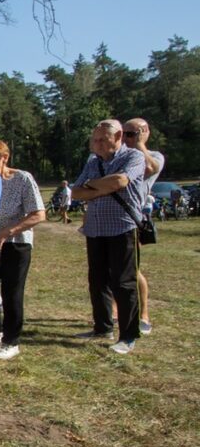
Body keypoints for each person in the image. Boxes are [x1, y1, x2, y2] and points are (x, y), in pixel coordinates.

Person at [71, 119, 146, 354]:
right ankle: (102, 327)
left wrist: (92, 187)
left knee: (124, 283)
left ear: (118, 137)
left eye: (103, 139)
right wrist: (102, 186)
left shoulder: (133, 157)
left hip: (122, 228)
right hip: (95, 229)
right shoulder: (93, 162)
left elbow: (121, 181)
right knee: (98, 280)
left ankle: (128, 335)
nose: (98, 144)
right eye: (95, 140)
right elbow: (76, 192)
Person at [0, 141, 45, 360]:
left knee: (11, 292)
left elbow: (38, 213)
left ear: (4, 158)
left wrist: (10, 230)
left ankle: (11, 340)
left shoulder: (22, 179)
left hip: (17, 244)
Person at [123, 118, 163, 336]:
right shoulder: (119, 156)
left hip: (135, 219)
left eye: (132, 133)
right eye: (125, 133)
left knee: (132, 269)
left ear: (145, 132)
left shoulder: (154, 156)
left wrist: (139, 144)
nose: (127, 138)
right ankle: (114, 314)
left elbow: (149, 168)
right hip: (114, 220)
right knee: (112, 271)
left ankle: (144, 314)